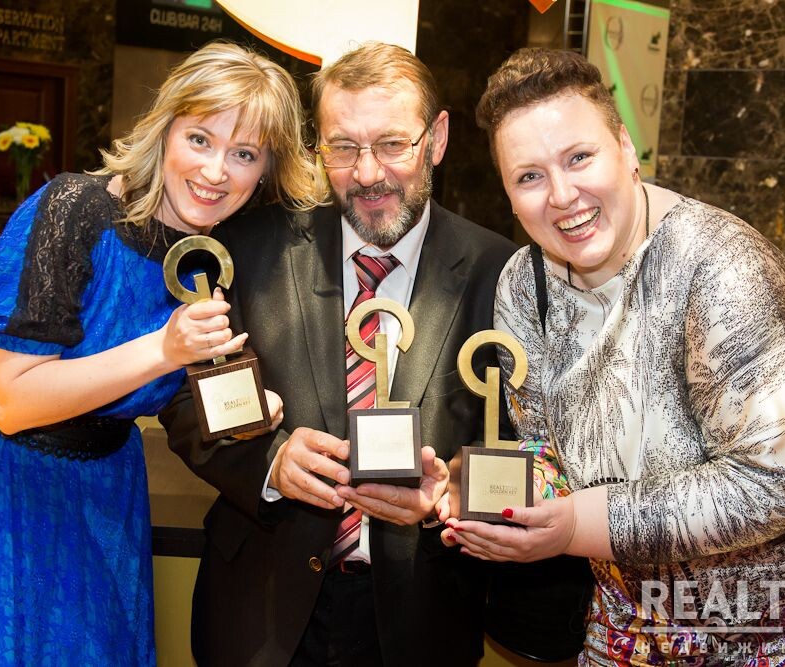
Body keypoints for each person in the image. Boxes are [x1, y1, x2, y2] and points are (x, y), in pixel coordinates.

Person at [0, 42, 317, 665]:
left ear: (266, 171)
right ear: (165, 130)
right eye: (200, 139)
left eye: (244, 154)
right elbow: (12, 401)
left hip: (101, 489)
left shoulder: (213, 255)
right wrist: (164, 349)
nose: (216, 170)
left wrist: (246, 411)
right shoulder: (75, 210)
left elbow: (181, 392)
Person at [441, 47, 785, 665]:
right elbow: (549, 449)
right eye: (529, 176)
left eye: (579, 157)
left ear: (626, 148)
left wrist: (575, 526)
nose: (562, 195)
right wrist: (481, 492)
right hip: (631, 627)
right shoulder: (523, 285)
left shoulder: (719, 268)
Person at [159, 42, 517, 666]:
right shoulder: (246, 247)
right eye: (343, 147)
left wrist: (448, 498)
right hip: (261, 614)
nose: (368, 173)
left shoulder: (500, 272)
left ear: (436, 138)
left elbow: (527, 443)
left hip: (420, 619)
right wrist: (270, 463)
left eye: (392, 144)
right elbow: (184, 400)